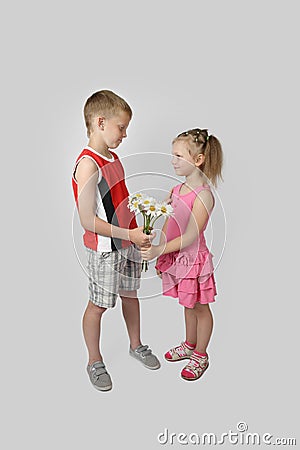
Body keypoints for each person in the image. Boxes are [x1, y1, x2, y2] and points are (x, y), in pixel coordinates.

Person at [72, 90, 160, 391]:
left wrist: (138, 237)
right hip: (105, 251)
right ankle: (94, 360)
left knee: (131, 296)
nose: (124, 134)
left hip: (127, 244)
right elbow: (87, 220)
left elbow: (120, 203)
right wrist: (128, 235)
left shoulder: (114, 157)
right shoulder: (87, 165)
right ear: (100, 122)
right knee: (98, 305)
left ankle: (136, 345)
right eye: (121, 127)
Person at [141, 128, 223, 381]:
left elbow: (189, 236)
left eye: (178, 155)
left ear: (198, 160)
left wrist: (159, 249)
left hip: (194, 260)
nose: (172, 160)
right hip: (177, 258)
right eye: (172, 155)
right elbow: (168, 223)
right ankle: (189, 344)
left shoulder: (204, 196)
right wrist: (160, 253)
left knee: (200, 307)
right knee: (187, 305)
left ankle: (201, 353)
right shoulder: (176, 191)